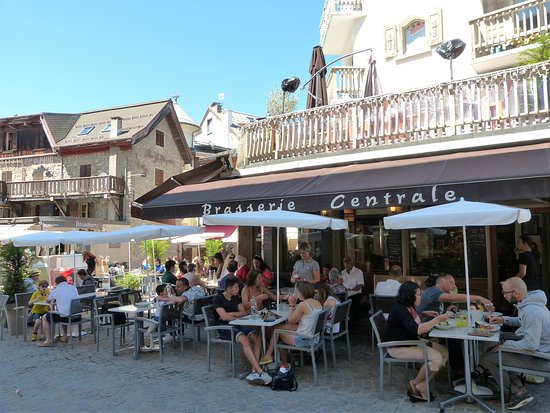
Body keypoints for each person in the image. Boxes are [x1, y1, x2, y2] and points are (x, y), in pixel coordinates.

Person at [474, 277, 550, 410]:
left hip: (542, 359)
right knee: (496, 349)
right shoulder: (531, 304)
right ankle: (516, 389)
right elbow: (522, 321)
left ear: (516, 293)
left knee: (491, 358)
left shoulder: (532, 311)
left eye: (505, 293)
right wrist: (503, 319)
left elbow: (531, 344)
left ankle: (515, 394)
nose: (503, 296)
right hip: (538, 352)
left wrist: (506, 345)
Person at [416, 273, 492, 377]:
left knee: (454, 334)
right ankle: (459, 370)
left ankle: (461, 368)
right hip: (421, 329)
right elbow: (452, 297)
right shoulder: (434, 290)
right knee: (454, 338)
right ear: (441, 282)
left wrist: (446, 311)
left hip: (430, 327)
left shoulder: (437, 293)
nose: (454, 286)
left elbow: (437, 310)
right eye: (451, 282)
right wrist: (479, 298)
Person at [387, 281, 449, 402]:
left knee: (444, 353)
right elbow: (417, 330)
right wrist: (437, 319)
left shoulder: (408, 306)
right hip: (398, 347)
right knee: (437, 358)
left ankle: (422, 384)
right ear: (410, 295)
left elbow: (410, 324)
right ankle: (415, 383)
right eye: (419, 294)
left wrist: (423, 315)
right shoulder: (400, 309)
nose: (421, 297)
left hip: (410, 342)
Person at [212, 276, 271, 385]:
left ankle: (254, 371)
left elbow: (243, 313)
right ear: (228, 289)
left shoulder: (235, 298)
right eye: (236, 287)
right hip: (224, 327)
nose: (238, 289)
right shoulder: (218, 299)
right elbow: (223, 318)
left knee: (257, 338)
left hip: (237, 324)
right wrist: (232, 317)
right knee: (245, 340)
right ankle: (260, 371)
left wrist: (229, 314)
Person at [259, 281, 323, 368]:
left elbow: (290, 321)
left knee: (277, 334)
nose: (296, 293)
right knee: (278, 327)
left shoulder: (303, 305)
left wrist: (291, 305)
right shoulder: (317, 303)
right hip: (314, 336)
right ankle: (270, 355)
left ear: (302, 292)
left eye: (297, 291)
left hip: (305, 339)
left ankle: (281, 362)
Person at [38, 275, 79, 347]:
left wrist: (48, 295)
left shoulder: (56, 290)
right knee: (61, 311)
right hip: (77, 316)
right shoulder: (73, 287)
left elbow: (48, 301)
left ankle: (48, 340)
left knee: (45, 317)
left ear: (57, 283)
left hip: (67, 317)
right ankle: (65, 336)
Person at [340, 256, 364, 328]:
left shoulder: (358, 271)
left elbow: (360, 285)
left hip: (355, 293)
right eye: (345, 262)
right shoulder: (342, 273)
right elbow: (340, 285)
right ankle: (342, 323)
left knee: (352, 301)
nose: (347, 263)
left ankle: (352, 324)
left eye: (349, 261)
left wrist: (351, 290)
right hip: (345, 293)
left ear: (352, 262)